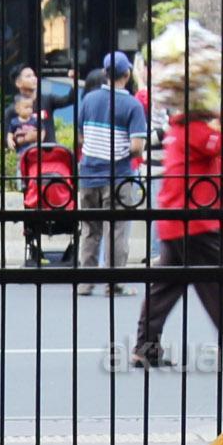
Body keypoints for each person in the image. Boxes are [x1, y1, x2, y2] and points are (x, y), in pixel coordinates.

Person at [131, 86, 223, 371]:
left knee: (165, 289)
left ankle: (145, 348)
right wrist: (222, 115)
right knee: (218, 283)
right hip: (195, 223)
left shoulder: (178, 131)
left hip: (177, 219)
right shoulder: (195, 131)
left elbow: (195, 178)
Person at [74, 51, 147, 295]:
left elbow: (81, 137)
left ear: (105, 73)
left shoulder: (89, 100)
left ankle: (86, 282)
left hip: (88, 174)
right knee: (116, 230)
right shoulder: (133, 105)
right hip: (117, 176)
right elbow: (137, 147)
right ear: (127, 74)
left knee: (89, 229)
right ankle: (114, 282)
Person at [4, 64, 53, 153]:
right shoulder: (11, 111)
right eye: (28, 76)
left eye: (34, 75)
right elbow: (6, 140)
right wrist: (24, 139)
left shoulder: (47, 100)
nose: (34, 78)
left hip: (49, 155)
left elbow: (69, 99)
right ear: (18, 83)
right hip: (24, 156)